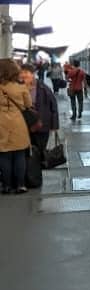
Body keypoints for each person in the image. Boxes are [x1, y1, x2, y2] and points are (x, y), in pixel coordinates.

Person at [0, 59, 32, 194]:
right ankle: (20, 185)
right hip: (18, 123)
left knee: (4, 156)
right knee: (19, 155)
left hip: (1, 123)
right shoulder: (21, 88)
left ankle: (6, 185)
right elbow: (28, 105)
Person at [19, 64, 59, 155]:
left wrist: (54, 125)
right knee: (25, 153)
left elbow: (53, 106)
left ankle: (37, 168)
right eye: (21, 73)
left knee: (40, 152)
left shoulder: (43, 87)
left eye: (26, 72)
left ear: (33, 74)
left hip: (41, 125)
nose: (23, 75)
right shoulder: (17, 88)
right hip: (24, 126)